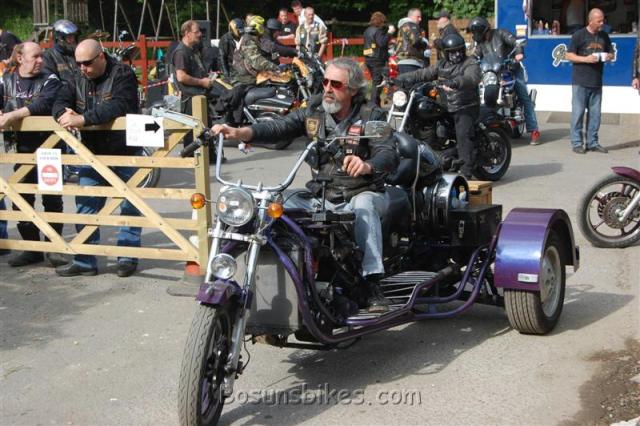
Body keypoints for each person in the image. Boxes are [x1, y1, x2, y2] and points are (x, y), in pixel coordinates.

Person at [211, 57, 398, 313]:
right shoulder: (314, 110)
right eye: (325, 82)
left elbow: (388, 152)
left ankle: (371, 283)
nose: (328, 89)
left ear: (353, 89)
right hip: (322, 193)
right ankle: (278, 271)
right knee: (271, 203)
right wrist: (241, 132)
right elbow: (281, 127)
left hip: (362, 191)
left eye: (336, 84)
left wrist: (368, 165)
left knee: (365, 208)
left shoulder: (371, 115)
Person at [52, 39, 142, 277]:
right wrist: (63, 114)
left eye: (87, 63)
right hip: (92, 154)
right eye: (79, 63)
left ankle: (127, 258)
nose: (83, 68)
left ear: (101, 57)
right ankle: (84, 261)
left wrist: (82, 119)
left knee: (130, 207)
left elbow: (120, 106)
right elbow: (59, 100)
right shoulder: (76, 77)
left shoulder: (123, 74)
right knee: (86, 206)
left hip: (126, 151)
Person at [0, 42, 65, 267]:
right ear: (20, 58)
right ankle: (32, 249)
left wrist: (12, 115)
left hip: (49, 148)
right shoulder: (6, 81)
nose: (40, 60)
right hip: (21, 150)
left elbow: (44, 104)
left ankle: (54, 248)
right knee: (21, 199)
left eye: (42, 56)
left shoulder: (50, 79)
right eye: (35, 56)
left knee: (52, 199)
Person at [396, 33, 481, 179]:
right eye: (452, 52)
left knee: (463, 135)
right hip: (445, 105)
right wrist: (400, 79)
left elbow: (471, 78)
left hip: (465, 105)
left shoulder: (470, 63)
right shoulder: (441, 64)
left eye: (459, 51)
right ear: (446, 53)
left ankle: (466, 172)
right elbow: (423, 73)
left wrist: (455, 82)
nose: (456, 55)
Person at [470, 16, 541, 145]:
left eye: (479, 33)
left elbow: (515, 42)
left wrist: (519, 52)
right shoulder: (481, 44)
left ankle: (534, 130)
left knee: (523, 96)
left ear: (485, 30)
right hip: (493, 74)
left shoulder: (501, 33)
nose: (478, 36)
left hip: (511, 70)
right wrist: (469, 62)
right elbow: (475, 56)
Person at [564, 8, 612, 154]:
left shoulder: (604, 36)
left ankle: (593, 143)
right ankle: (577, 143)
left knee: (595, 115)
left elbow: (611, 53)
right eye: (599, 21)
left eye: (603, 20)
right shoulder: (579, 35)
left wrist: (608, 56)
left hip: (597, 81)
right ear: (590, 21)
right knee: (578, 114)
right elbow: (568, 55)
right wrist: (586, 59)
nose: (602, 23)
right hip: (580, 81)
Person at [233, 15, 281, 84]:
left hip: (251, 74)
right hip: (245, 78)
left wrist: (274, 59)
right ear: (258, 27)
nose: (263, 28)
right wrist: (275, 67)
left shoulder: (255, 37)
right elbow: (256, 61)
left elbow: (267, 51)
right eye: (261, 26)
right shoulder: (248, 39)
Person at [363, 11, 391, 106]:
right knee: (377, 82)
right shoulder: (378, 31)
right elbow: (381, 43)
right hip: (377, 59)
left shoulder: (367, 30)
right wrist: (389, 34)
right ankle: (373, 105)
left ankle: (376, 104)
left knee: (376, 81)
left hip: (368, 59)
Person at [42, 19, 80, 86]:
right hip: (62, 91)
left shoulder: (76, 53)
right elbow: (51, 82)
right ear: (59, 38)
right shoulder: (48, 56)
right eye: (69, 37)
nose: (72, 40)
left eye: (73, 36)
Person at [395, 8, 428, 74]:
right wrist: (425, 44)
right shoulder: (412, 25)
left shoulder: (402, 26)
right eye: (418, 17)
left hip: (402, 60)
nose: (420, 19)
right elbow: (416, 41)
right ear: (411, 16)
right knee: (413, 80)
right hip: (411, 60)